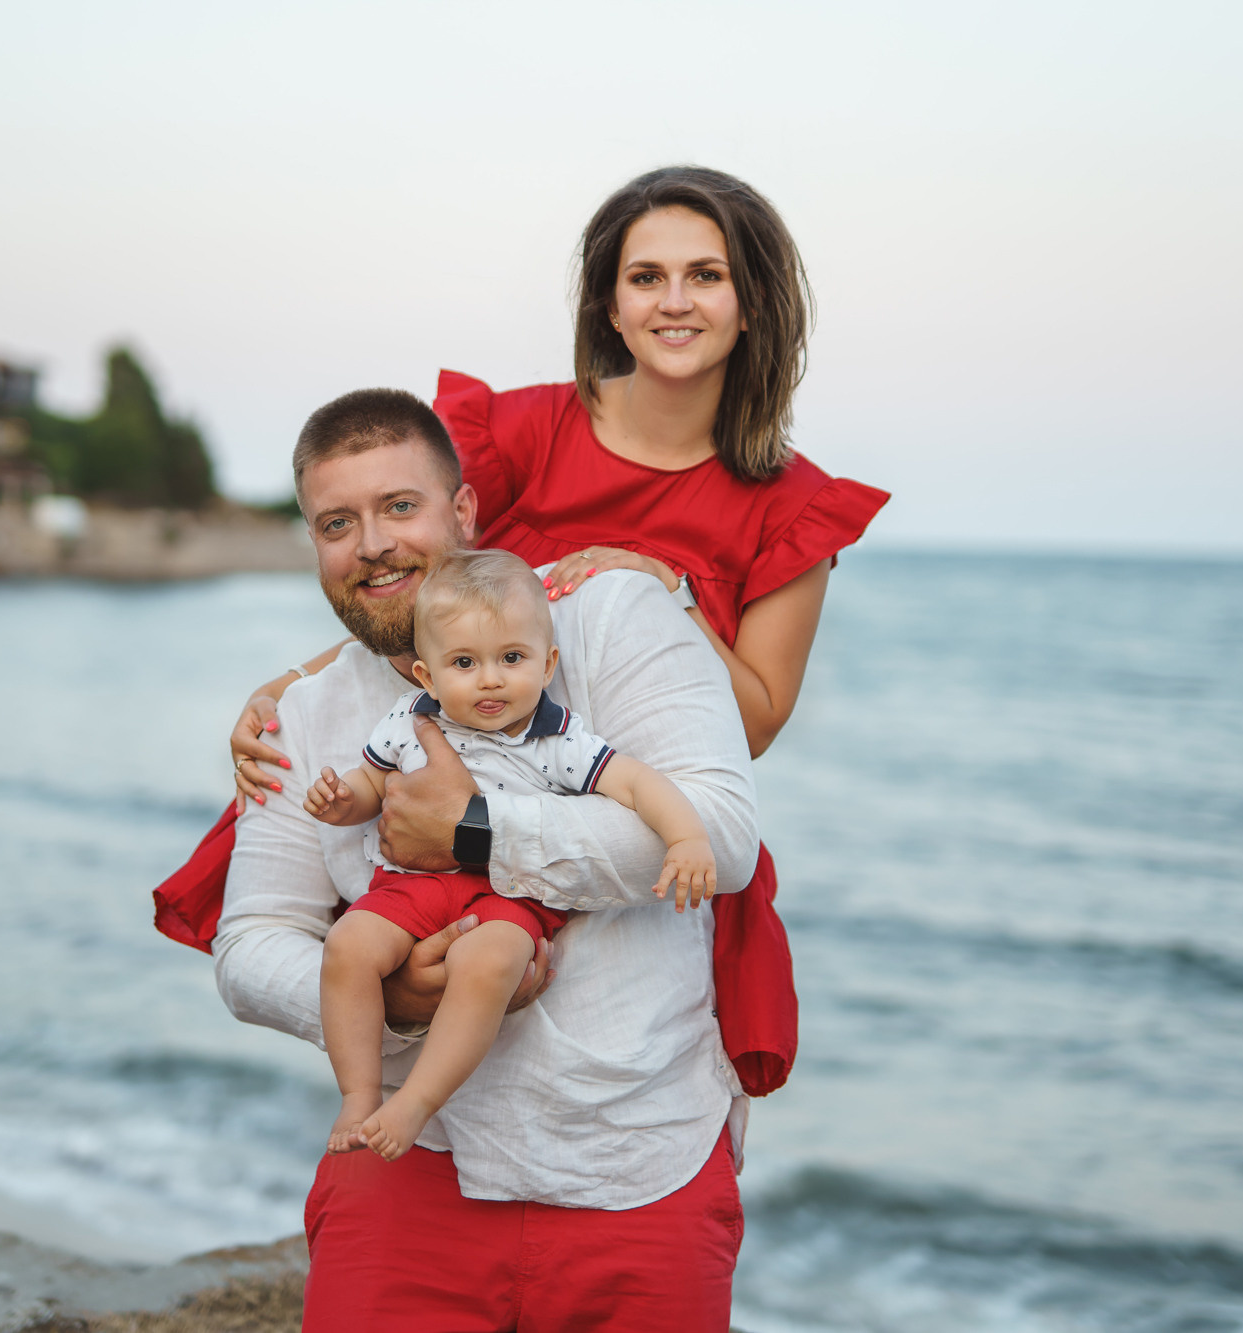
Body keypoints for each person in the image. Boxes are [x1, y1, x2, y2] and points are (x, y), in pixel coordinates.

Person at [226, 165, 891, 1098]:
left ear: (754, 303)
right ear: (609, 305)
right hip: (465, 770)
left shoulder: (793, 508)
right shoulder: (522, 433)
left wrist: (669, 595)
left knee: (619, 1058)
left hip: (614, 814)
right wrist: (292, 686)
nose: (674, 301)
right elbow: (415, 582)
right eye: (645, 276)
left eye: (707, 275)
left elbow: (755, 725)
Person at [218, 386, 758, 1329]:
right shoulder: (298, 718)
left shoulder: (608, 621)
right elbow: (251, 940)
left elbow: (721, 834)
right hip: (407, 1159)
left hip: (635, 1158)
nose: (372, 545)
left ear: (462, 512)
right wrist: (391, 1003)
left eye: (399, 507)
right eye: (336, 523)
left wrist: (478, 833)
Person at [309, 548, 717, 1160]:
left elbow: (636, 784)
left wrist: (686, 838)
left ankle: (416, 1101)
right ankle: (359, 1094)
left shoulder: (557, 737)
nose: (491, 679)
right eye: (464, 663)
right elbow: (373, 787)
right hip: (410, 886)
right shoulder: (411, 719)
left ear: (547, 663)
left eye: (512, 658)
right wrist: (343, 802)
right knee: (347, 945)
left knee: (490, 961)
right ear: (426, 676)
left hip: (510, 894)